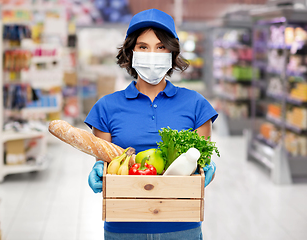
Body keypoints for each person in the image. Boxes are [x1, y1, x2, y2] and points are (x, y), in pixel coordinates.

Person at [85, 8, 218, 240]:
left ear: (172, 53)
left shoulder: (196, 105)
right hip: (124, 227)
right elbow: (105, 161)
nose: (152, 54)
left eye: (161, 47)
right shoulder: (106, 107)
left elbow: (202, 164)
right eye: (143, 47)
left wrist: (207, 170)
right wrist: (99, 170)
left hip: (181, 227)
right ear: (131, 52)